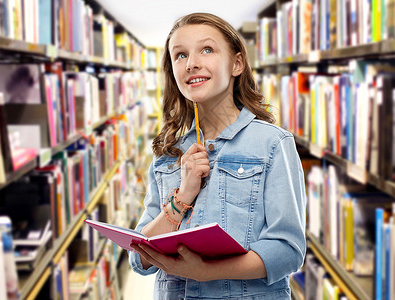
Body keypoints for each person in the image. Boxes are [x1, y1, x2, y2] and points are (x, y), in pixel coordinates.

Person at [129, 12, 306, 299]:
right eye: (180, 55)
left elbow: (288, 250)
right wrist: (182, 197)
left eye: (207, 50)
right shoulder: (167, 153)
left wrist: (207, 272)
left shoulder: (273, 144)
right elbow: (140, 258)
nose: (192, 63)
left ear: (236, 63)